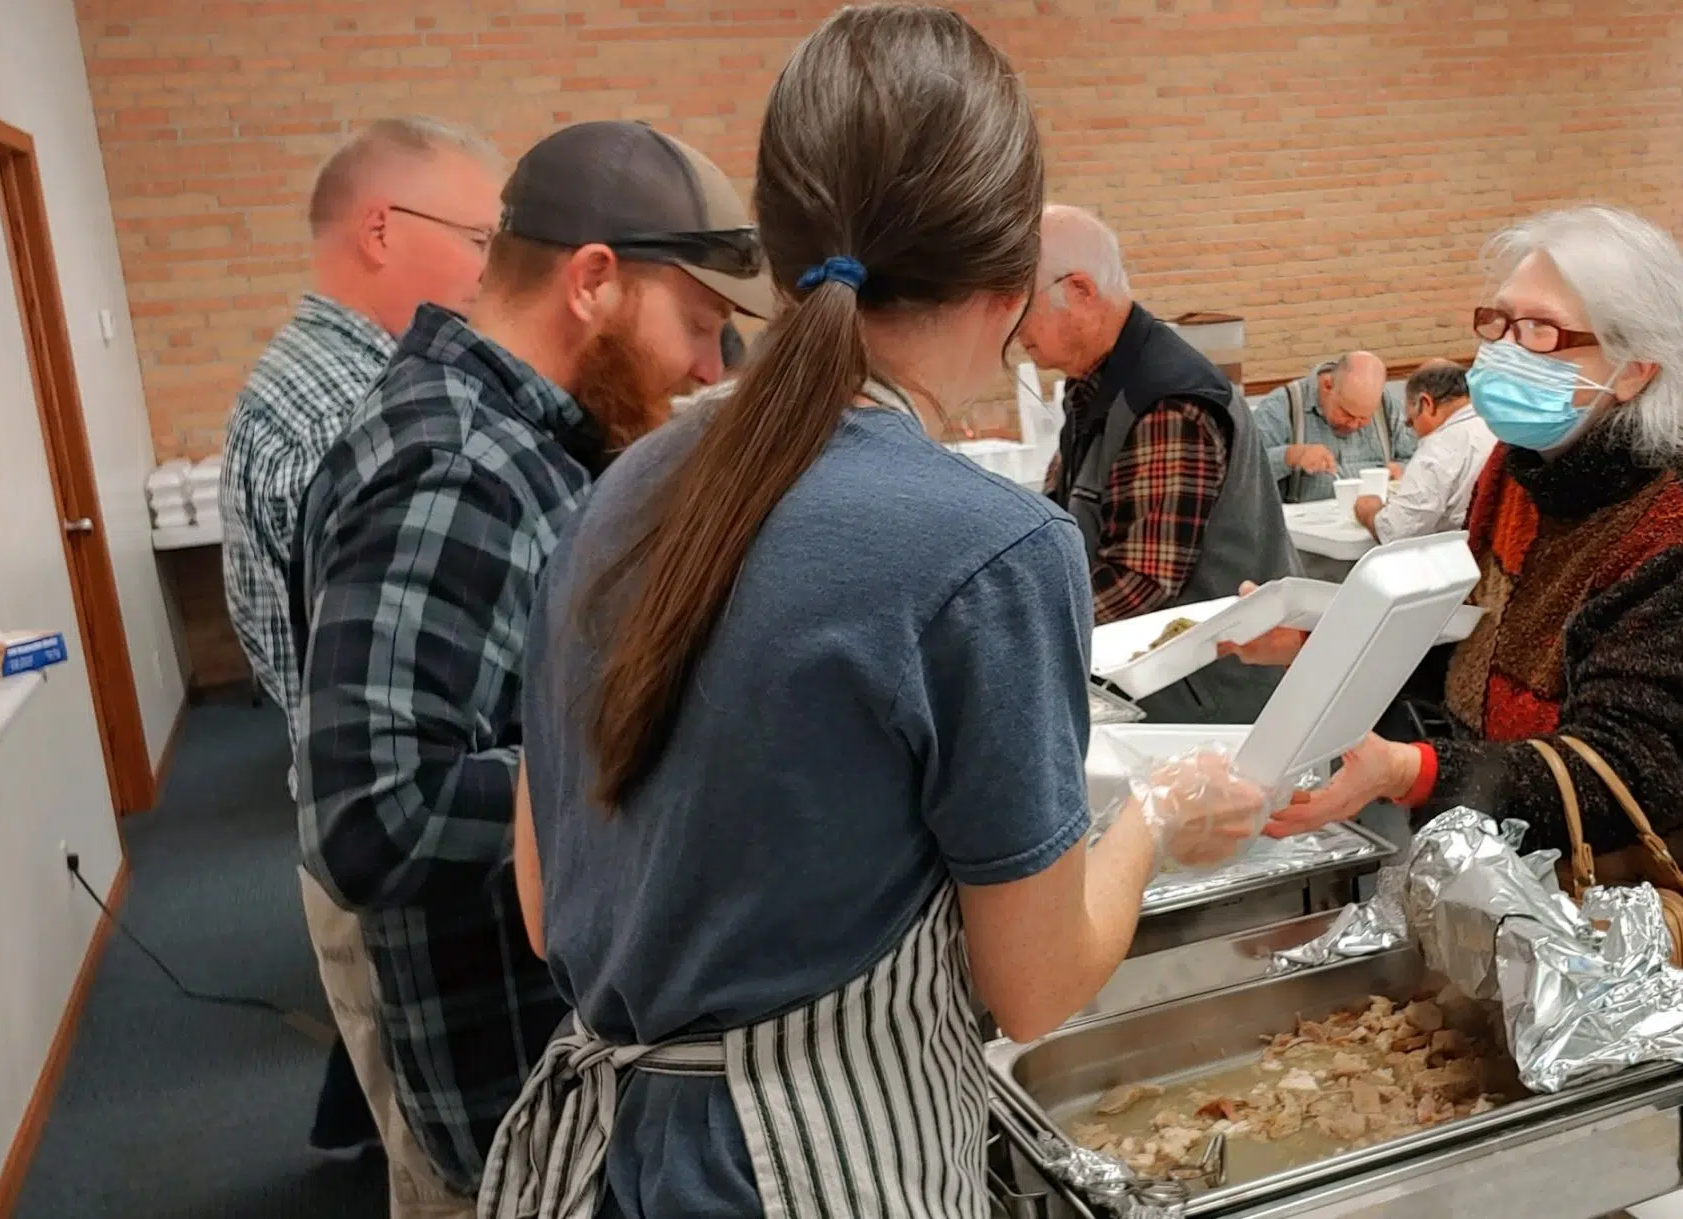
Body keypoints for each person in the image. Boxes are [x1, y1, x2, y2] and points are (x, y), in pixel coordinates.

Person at [476, 11, 1258, 1216]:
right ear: (1011, 290)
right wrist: (1154, 813)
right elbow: (1034, 988)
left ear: (777, 255)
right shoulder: (987, 546)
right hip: (804, 1170)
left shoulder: (614, 491)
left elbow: (548, 907)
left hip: (590, 1158)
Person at [1231, 206, 1683, 1219]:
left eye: (1539, 331)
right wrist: (1326, 641)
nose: (1498, 351)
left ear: (1636, 366)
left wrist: (1416, 773)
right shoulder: (1519, 473)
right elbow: (1483, 646)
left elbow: (1633, 766)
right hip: (1583, 899)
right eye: (1495, 322)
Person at [294, 119, 767, 1202]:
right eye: (696, 324)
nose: (705, 365)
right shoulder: (458, 467)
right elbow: (374, 807)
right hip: (513, 1099)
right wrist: (649, 767)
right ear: (594, 281)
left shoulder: (525, 440)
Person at [219, 115, 500, 1218]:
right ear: (383, 229)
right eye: (480, 236)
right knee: (441, 1168)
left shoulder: (339, 387)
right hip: (389, 858)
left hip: (359, 831)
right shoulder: (358, 419)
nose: (492, 264)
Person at [1017, 203, 1300, 723]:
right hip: (1165, 687)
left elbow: (1139, 580)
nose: (1012, 329)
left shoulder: (1167, 403)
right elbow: (1063, 510)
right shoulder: (1098, 386)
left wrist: (1012, 624)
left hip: (1212, 704)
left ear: (1079, 291)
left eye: (1019, 304)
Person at [1354, 359, 1496, 542]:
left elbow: (1397, 531)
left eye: (1411, 422)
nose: (1416, 433)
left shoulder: (1439, 447)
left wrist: (1369, 512)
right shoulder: (1500, 423)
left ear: (1426, 403)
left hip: (1462, 559)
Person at [1254, 350, 1418, 502]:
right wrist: (1290, 456)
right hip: (1305, 526)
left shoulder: (1385, 405)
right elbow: (1244, 473)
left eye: (1364, 418)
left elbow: (1416, 458)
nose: (1354, 425)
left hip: (1374, 522)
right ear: (1327, 386)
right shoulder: (1280, 407)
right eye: (1347, 414)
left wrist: (1402, 470)